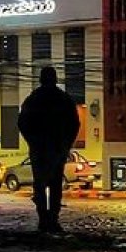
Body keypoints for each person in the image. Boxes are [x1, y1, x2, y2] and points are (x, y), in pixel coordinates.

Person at [17, 65, 80, 232]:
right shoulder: (64, 99)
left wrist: (32, 141)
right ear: (55, 79)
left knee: (40, 184)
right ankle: (52, 218)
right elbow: (74, 124)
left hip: (39, 148)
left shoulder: (33, 99)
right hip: (57, 148)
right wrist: (66, 144)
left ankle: (43, 218)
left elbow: (22, 123)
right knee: (55, 185)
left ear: (41, 79)